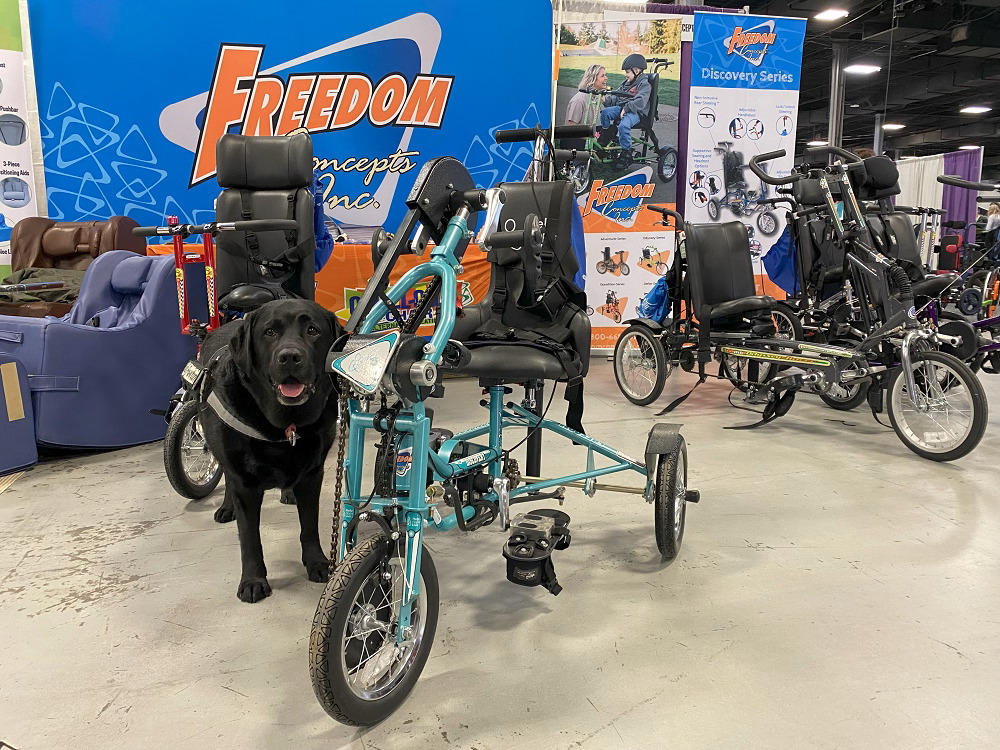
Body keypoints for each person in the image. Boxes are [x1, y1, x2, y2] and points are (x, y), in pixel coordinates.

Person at [597, 54, 651, 167]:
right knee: (605, 113)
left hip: (636, 112)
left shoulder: (644, 84)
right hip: (623, 109)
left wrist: (626, 108)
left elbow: (640, 101)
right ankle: (607, 134)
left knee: (623, 126)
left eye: (627, 72)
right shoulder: (626, 83)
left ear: (636, 71)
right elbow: (617, 96)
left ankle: (626, 152)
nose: (625, 75)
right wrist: (605, 101)